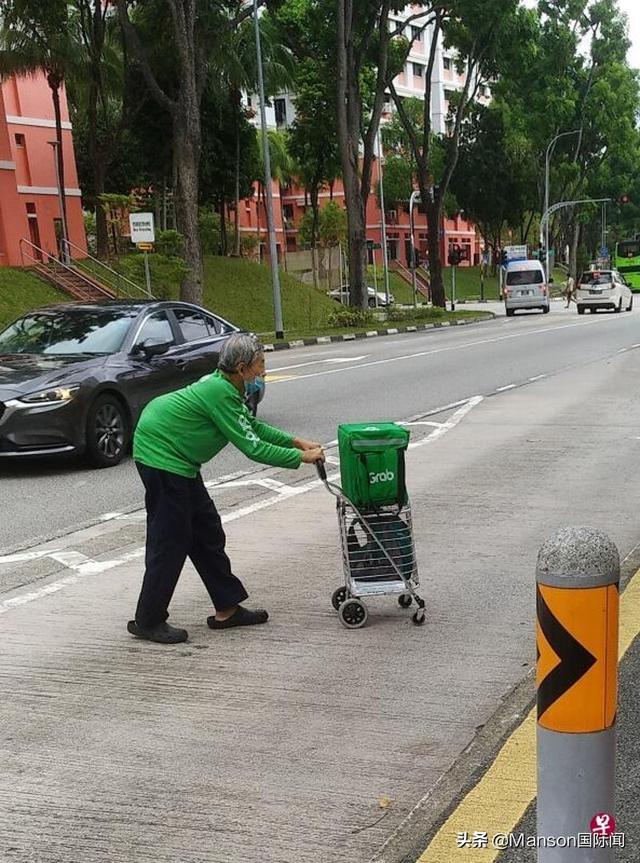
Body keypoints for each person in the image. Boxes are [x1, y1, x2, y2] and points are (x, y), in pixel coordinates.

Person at [128, 333, 325, 644]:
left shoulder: (227, 387)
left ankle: (227, 608)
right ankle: (148, 620)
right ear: (243, 367)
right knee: (171, 540)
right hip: (160, 456)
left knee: (207, 532)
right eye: (260, 366)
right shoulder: (219, 391)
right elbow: (252, 447)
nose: (263, 373)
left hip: (181, 462)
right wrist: (301, 457)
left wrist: (294, 440)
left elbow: (252, 426)